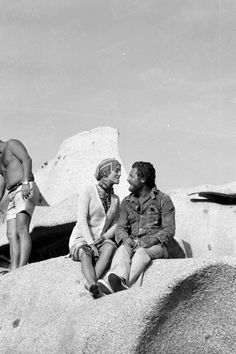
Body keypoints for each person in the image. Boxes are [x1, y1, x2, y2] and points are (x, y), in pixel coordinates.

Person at [97, 161, 175, 294]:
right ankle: (118, 280)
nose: (127, 179)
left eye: (132, 176)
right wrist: (126, 239)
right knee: (122, 250)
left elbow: (169, 229)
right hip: (133, 242)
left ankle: (119, 285)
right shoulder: (126, 202)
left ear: (143, 179)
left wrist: (151, 240)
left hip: (155, 246)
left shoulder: (163, 199)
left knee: (141, 253)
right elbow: (120, 228)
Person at [69, 158, 121, 299]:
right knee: (85, 252)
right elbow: (81, 219)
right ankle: (94, 283)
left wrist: (103, 238)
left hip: (101, 239)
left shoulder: (115, 199)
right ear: (105, 172)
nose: (120, 174)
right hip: (82, 236)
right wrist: (91, 243)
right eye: (116, 171)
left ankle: (90, 284)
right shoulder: (88, 191)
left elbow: (116, 224)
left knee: (110, 248)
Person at [0, 139, 40, 271]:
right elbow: (3, 180)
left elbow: (27, 159)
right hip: (11, 194)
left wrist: (25, 182)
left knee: (21, 228)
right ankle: (14, 268)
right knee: (10, 234)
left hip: (23, 188)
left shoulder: (11, 144)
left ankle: (22, 267)